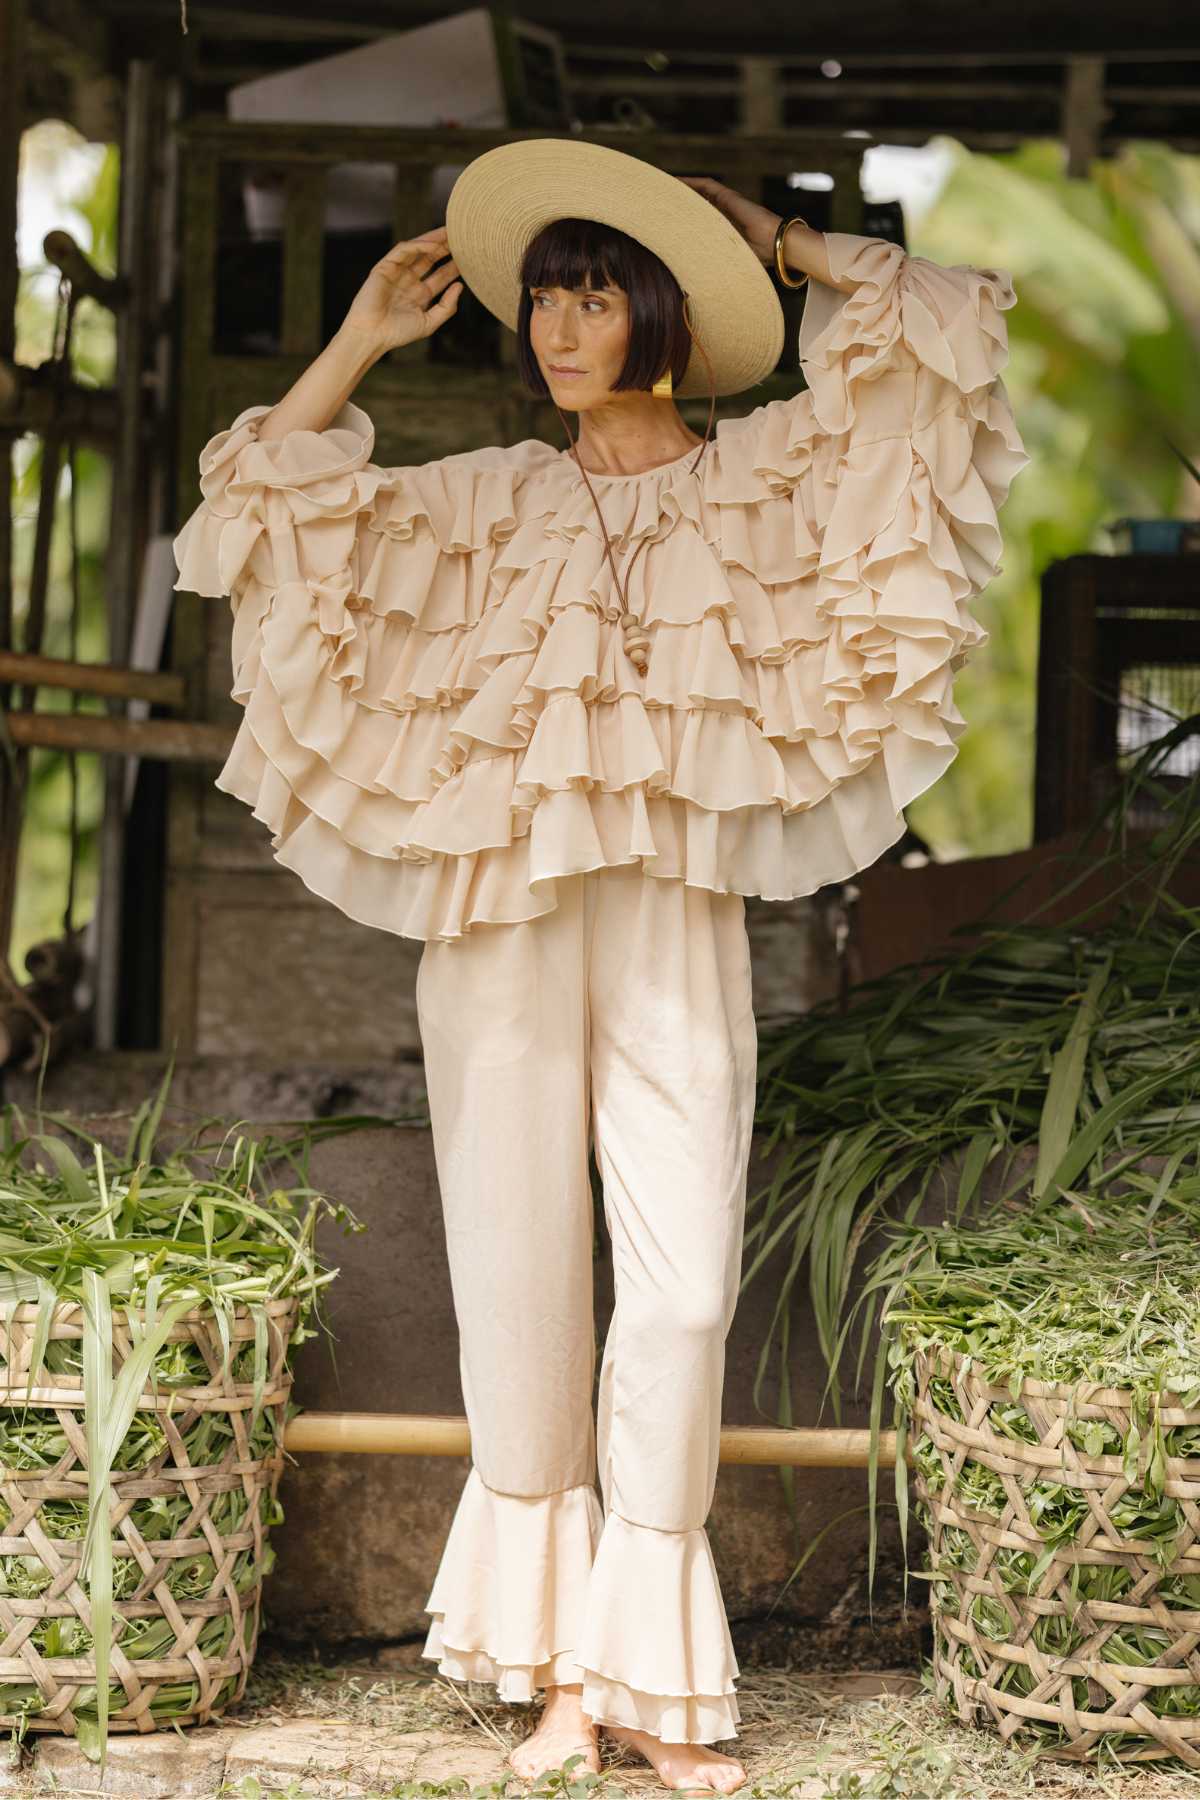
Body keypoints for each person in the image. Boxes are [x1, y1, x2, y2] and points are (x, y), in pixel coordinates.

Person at [173, 137, 1029, 1792]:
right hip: (498, 921)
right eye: (545, 297)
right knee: (517, 1282)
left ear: (657, 311)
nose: (558, 328)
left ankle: (648, 1647)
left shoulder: (759, 479)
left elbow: (938, 324)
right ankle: (575, 1672)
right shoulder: (488, 495)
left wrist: (770, 238)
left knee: (687, 1286)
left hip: (670, 921)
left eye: (591, 294)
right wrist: (355, 338)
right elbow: (265, 506)